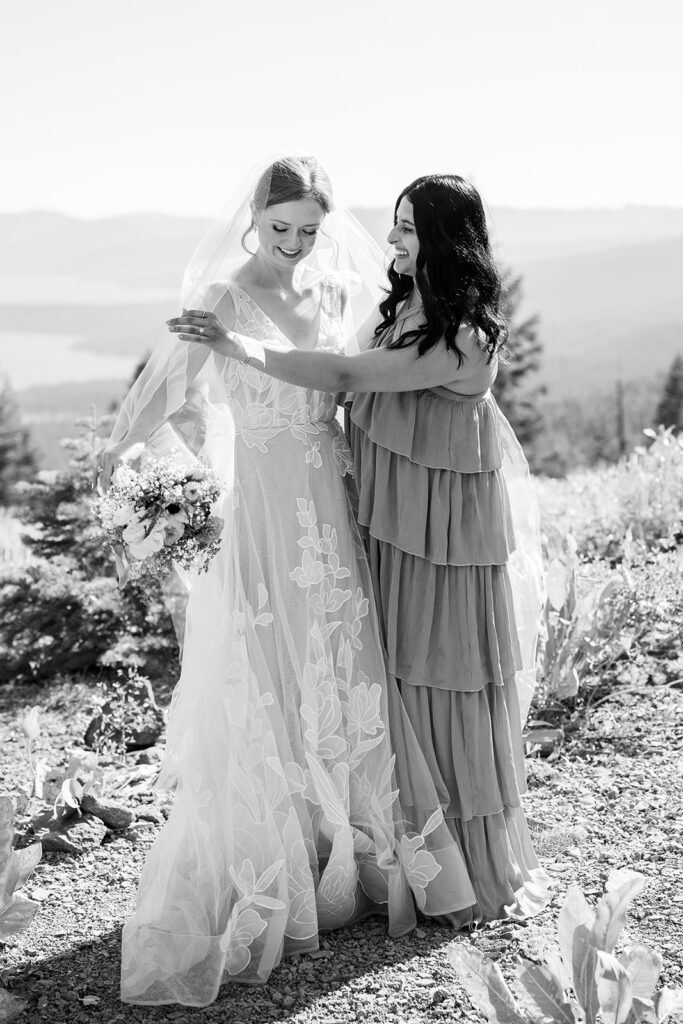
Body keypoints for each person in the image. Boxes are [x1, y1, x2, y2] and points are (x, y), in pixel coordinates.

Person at [100, 158, 507, 1009]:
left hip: (334, 498)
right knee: (271, 672)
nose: (293, 245)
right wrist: (151, 472)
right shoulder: (219, 297)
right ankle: (280, 864)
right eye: (280, 228)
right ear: (255, 218)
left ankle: (350, 851)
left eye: (308, 231)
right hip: (261, 508)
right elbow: (159, 403)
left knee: (345, 666)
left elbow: (353, 382)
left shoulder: (334, 292)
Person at [171, 171, 549, 931]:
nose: (394, 239)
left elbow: (345, 375)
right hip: (386, 521)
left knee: (438, 680)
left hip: (440, 535)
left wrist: (236, 343)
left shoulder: (464, 332)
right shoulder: (409, 306)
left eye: (408, 228)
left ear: (444, 240)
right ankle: (377, 840)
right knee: (393, 678)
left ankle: (463, 862)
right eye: (396, 223)